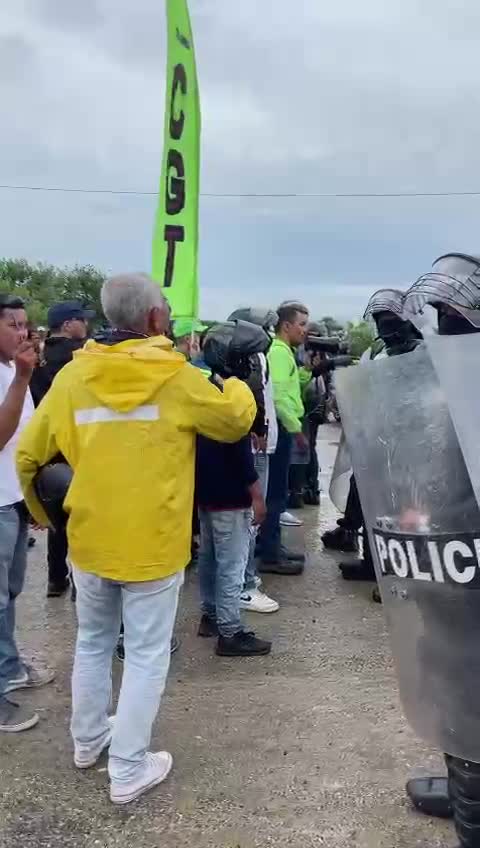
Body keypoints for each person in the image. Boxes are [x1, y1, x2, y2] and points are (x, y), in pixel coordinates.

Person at [16, 273, 256, 805]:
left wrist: (46, 516)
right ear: (153, 318)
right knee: (146, 655)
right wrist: (236, 380)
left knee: (93, 642)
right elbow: (234, 421)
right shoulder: (177, 376)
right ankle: (127, 769)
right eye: (164, 308)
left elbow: (29, 456)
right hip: (154, 544)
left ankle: (88, 742)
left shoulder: (73, 377)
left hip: (89, 539)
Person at [400, 253, 480, 844]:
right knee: (453, 685)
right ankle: (465, 793)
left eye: (456, 316)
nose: (444, 323)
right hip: (451, 565)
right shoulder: (452, 388)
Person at [323, 289, 422, 582]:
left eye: (389, 319)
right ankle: (372, 564)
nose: (384, 327)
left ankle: (396, 571)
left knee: (403, 510)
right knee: (371, 504)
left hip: (410, 446)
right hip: (376, 443)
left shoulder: (423, 352)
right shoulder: (377, 352)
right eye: (379, 321)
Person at [196, 320, 272, 655]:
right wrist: (257, 495)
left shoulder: (204, 390)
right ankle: (230, 631)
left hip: (206, 494)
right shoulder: (235, 397)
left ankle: (210, 615)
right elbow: (240, 453)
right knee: (232, 564)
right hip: (231, 496)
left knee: (209, 558)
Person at [0, 293, 55, 734]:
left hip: (12, 497)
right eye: (12, 325)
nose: (23, 333)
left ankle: (8, 667)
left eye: (25, 325)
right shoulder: (13, 374)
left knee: (10, 592)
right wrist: (22, 379)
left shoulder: (10, 369)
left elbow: (26, 439)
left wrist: (31, 496)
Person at [30, 300, 94, 599]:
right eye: (82, 319)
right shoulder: (82, 356)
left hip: (46, 448)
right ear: (68, 324)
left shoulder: (37, 358)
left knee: (57, 518)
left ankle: (56, 579)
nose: (86, 324)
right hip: (77, 447)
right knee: (81, 519)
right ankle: (81, 582)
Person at [227, 308, 280, 614]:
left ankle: (243, 580)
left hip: (258, 443)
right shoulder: (255, 357)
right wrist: (259, 428)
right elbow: (255, 392)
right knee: (252, 519)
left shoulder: (245, 356)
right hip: (257, 446)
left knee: (247, 520)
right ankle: (245, 586)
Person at [257, 302, 310, 575]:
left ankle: (272, 546)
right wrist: (296, 429)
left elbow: (290, 388)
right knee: (276, 494)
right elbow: (277, 397)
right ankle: (270, 554)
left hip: (284, 426)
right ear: (286, 326)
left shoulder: (284, 352)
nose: (305, 330)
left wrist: (309, 371)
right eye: (301, 324)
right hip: (281, 427)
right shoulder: (278, 353)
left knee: (277, 491)